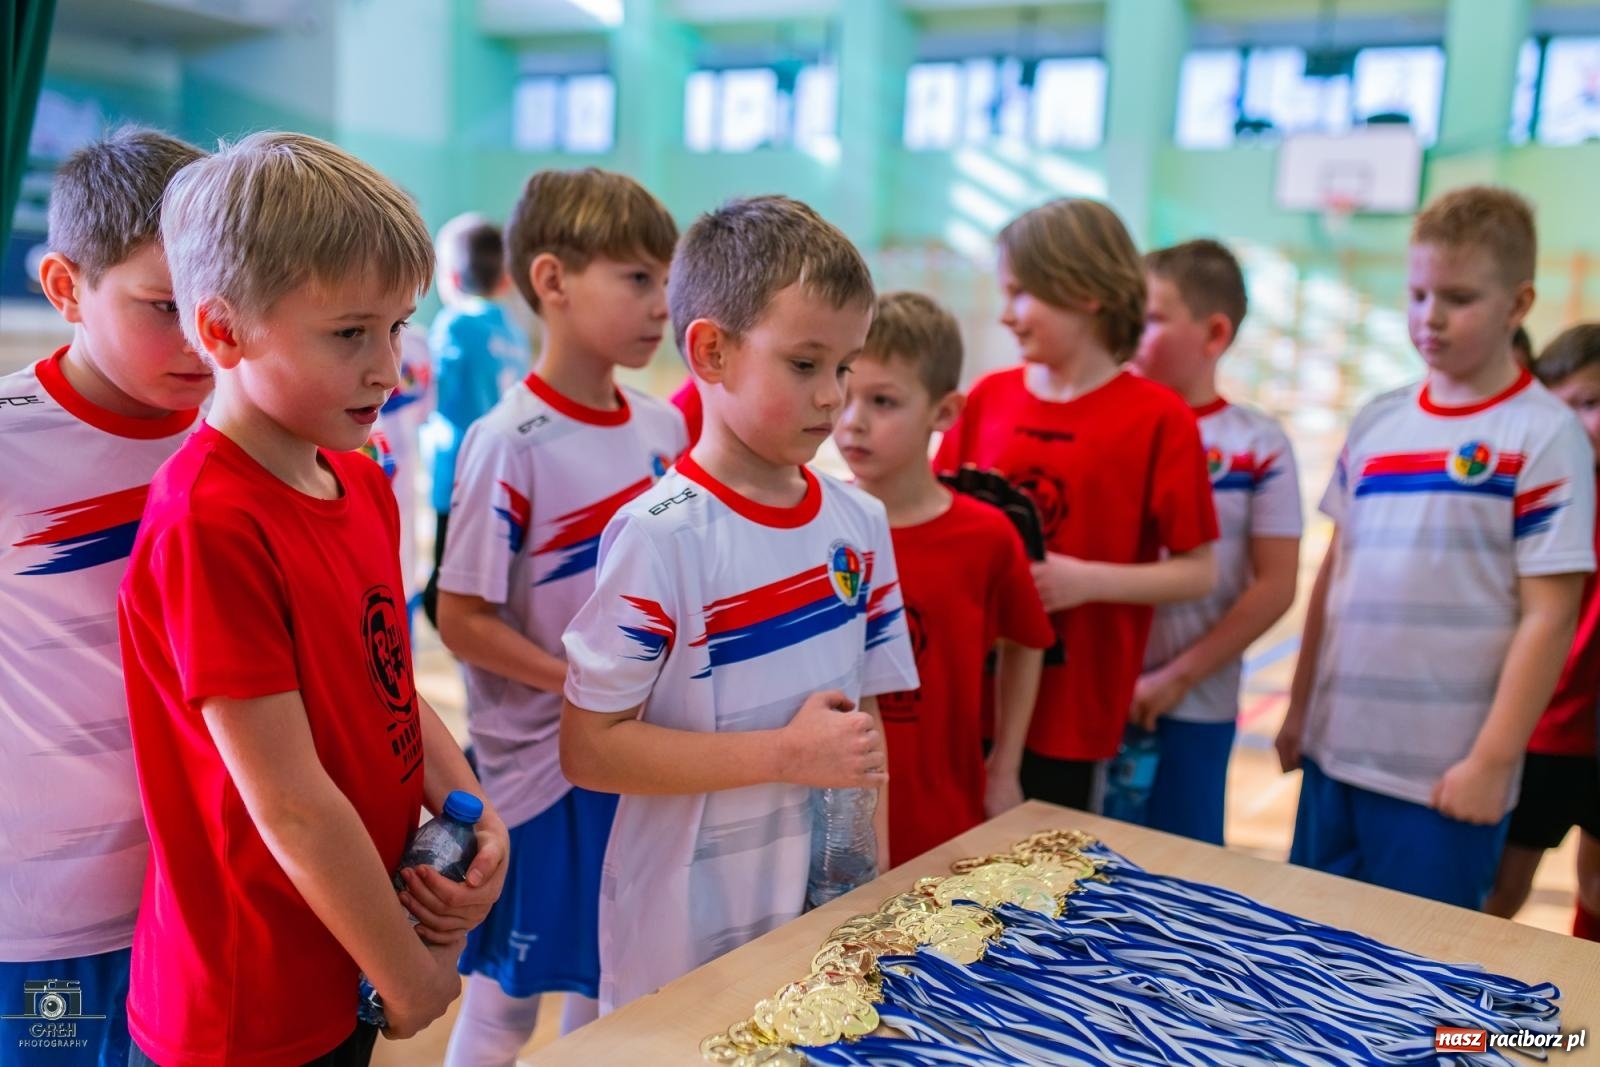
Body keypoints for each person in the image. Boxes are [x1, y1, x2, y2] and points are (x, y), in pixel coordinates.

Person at [118, 132, 510, 1065]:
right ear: (223, 331)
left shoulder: (361, 479)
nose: (389, 368)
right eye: (349, 334)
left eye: (398, 327)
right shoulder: (210, 522)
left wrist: (469, 804)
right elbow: (290, 803)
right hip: (242, 1004)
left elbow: (386, 683)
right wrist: (406, 971)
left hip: (345, 956)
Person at [559, 195, 919, 1012]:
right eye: (805, 364)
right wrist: (784, 754)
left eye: (845, 366)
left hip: (821, 921)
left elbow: (863, 734)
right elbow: (589, 749)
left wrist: (872, 890)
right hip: (682, 936)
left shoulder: (860, 521)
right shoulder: (660, 535)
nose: (834, 397)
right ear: (712, 352)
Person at [1278, 186, 1595, 909]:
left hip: (1443, 781)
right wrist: (1299, 709)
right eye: (1418, 295)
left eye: (1458, 298)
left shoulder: (1545, 434)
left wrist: (1493, 760)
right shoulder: (1378, 420)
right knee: (1306, 948)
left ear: (1518, 304)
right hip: (1334, 759)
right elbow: (1336, 572)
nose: (1430, 317)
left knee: (1417, 968)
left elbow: (1550, 616)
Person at [436, 169, 683, 1063]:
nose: (662, 303)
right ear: (552, 280)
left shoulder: (664, 430)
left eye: (667, 279)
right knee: (505, 1003)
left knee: (607, 985)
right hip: (535, 774)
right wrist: (579, 680)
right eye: (638, 278)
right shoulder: (507, 440)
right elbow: (460, 616)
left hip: (633, 758)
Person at [0, 126, 205, 1067]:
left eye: (220, 300)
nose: (201, 338)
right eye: (165, 306)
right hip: (48, 913)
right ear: (65, 287)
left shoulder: (251, 433)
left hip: (213, 891)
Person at [934, 197, 1219, 812]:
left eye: (1021, 293)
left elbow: (1199, 571)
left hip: (1072, 714)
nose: (1006, 315)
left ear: (1085, 291)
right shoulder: (986, 399)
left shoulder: (1159, 419)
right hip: (963, 698)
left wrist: (1084, 581)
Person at [836, 291, 1054, 865]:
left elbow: (1027, 642)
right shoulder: (816, 525)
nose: (853, 421)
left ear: (944, 413)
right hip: (835, 829)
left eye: (883, 401)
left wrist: (1004, 769)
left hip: (947, 818)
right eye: (844, 391)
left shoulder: (986, 536)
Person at [1128, 239, 1303, 845]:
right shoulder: (1109, 426)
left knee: (1179, 871)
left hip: (1195, 706)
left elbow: (1276, 585)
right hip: (1095, 702)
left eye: (1151, 318)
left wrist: (1176, 677)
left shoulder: (1257, 443)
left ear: (1214, 333)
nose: (1130, 331)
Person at [1483, 323, 1600, 940]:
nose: (1578, 424)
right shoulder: (1540, 495)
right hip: (1543, 729)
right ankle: (1458, 1000)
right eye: (1564, 407)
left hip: (1589, 731)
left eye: (1592, 403)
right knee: (1500, 891)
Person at [423, 214, 528, 627]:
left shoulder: (455, 324)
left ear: (449, 278)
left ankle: (461, 639)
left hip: (457, 474)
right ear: (505, 280)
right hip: (500, 475)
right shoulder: (514, 331)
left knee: (445, 582)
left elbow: (433, 395)